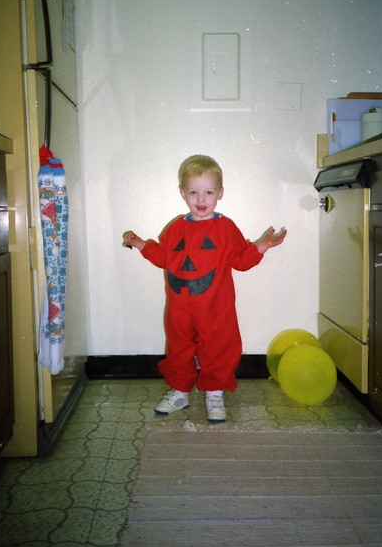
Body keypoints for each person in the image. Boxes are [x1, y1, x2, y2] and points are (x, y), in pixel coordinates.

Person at [122, 155, 287, 423]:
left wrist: (261, 246)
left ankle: (214, 392)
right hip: (179, 307)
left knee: (218, 347)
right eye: (194, 193)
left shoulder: (225, 228)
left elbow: (241, 260)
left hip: (215, 307)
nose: (201, 199)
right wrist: (141, 244)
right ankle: (180, 392)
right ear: (183, 193)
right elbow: (164, 256)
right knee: (178, 348)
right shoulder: (176, 228)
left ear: (220, 193)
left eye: (208, 192)